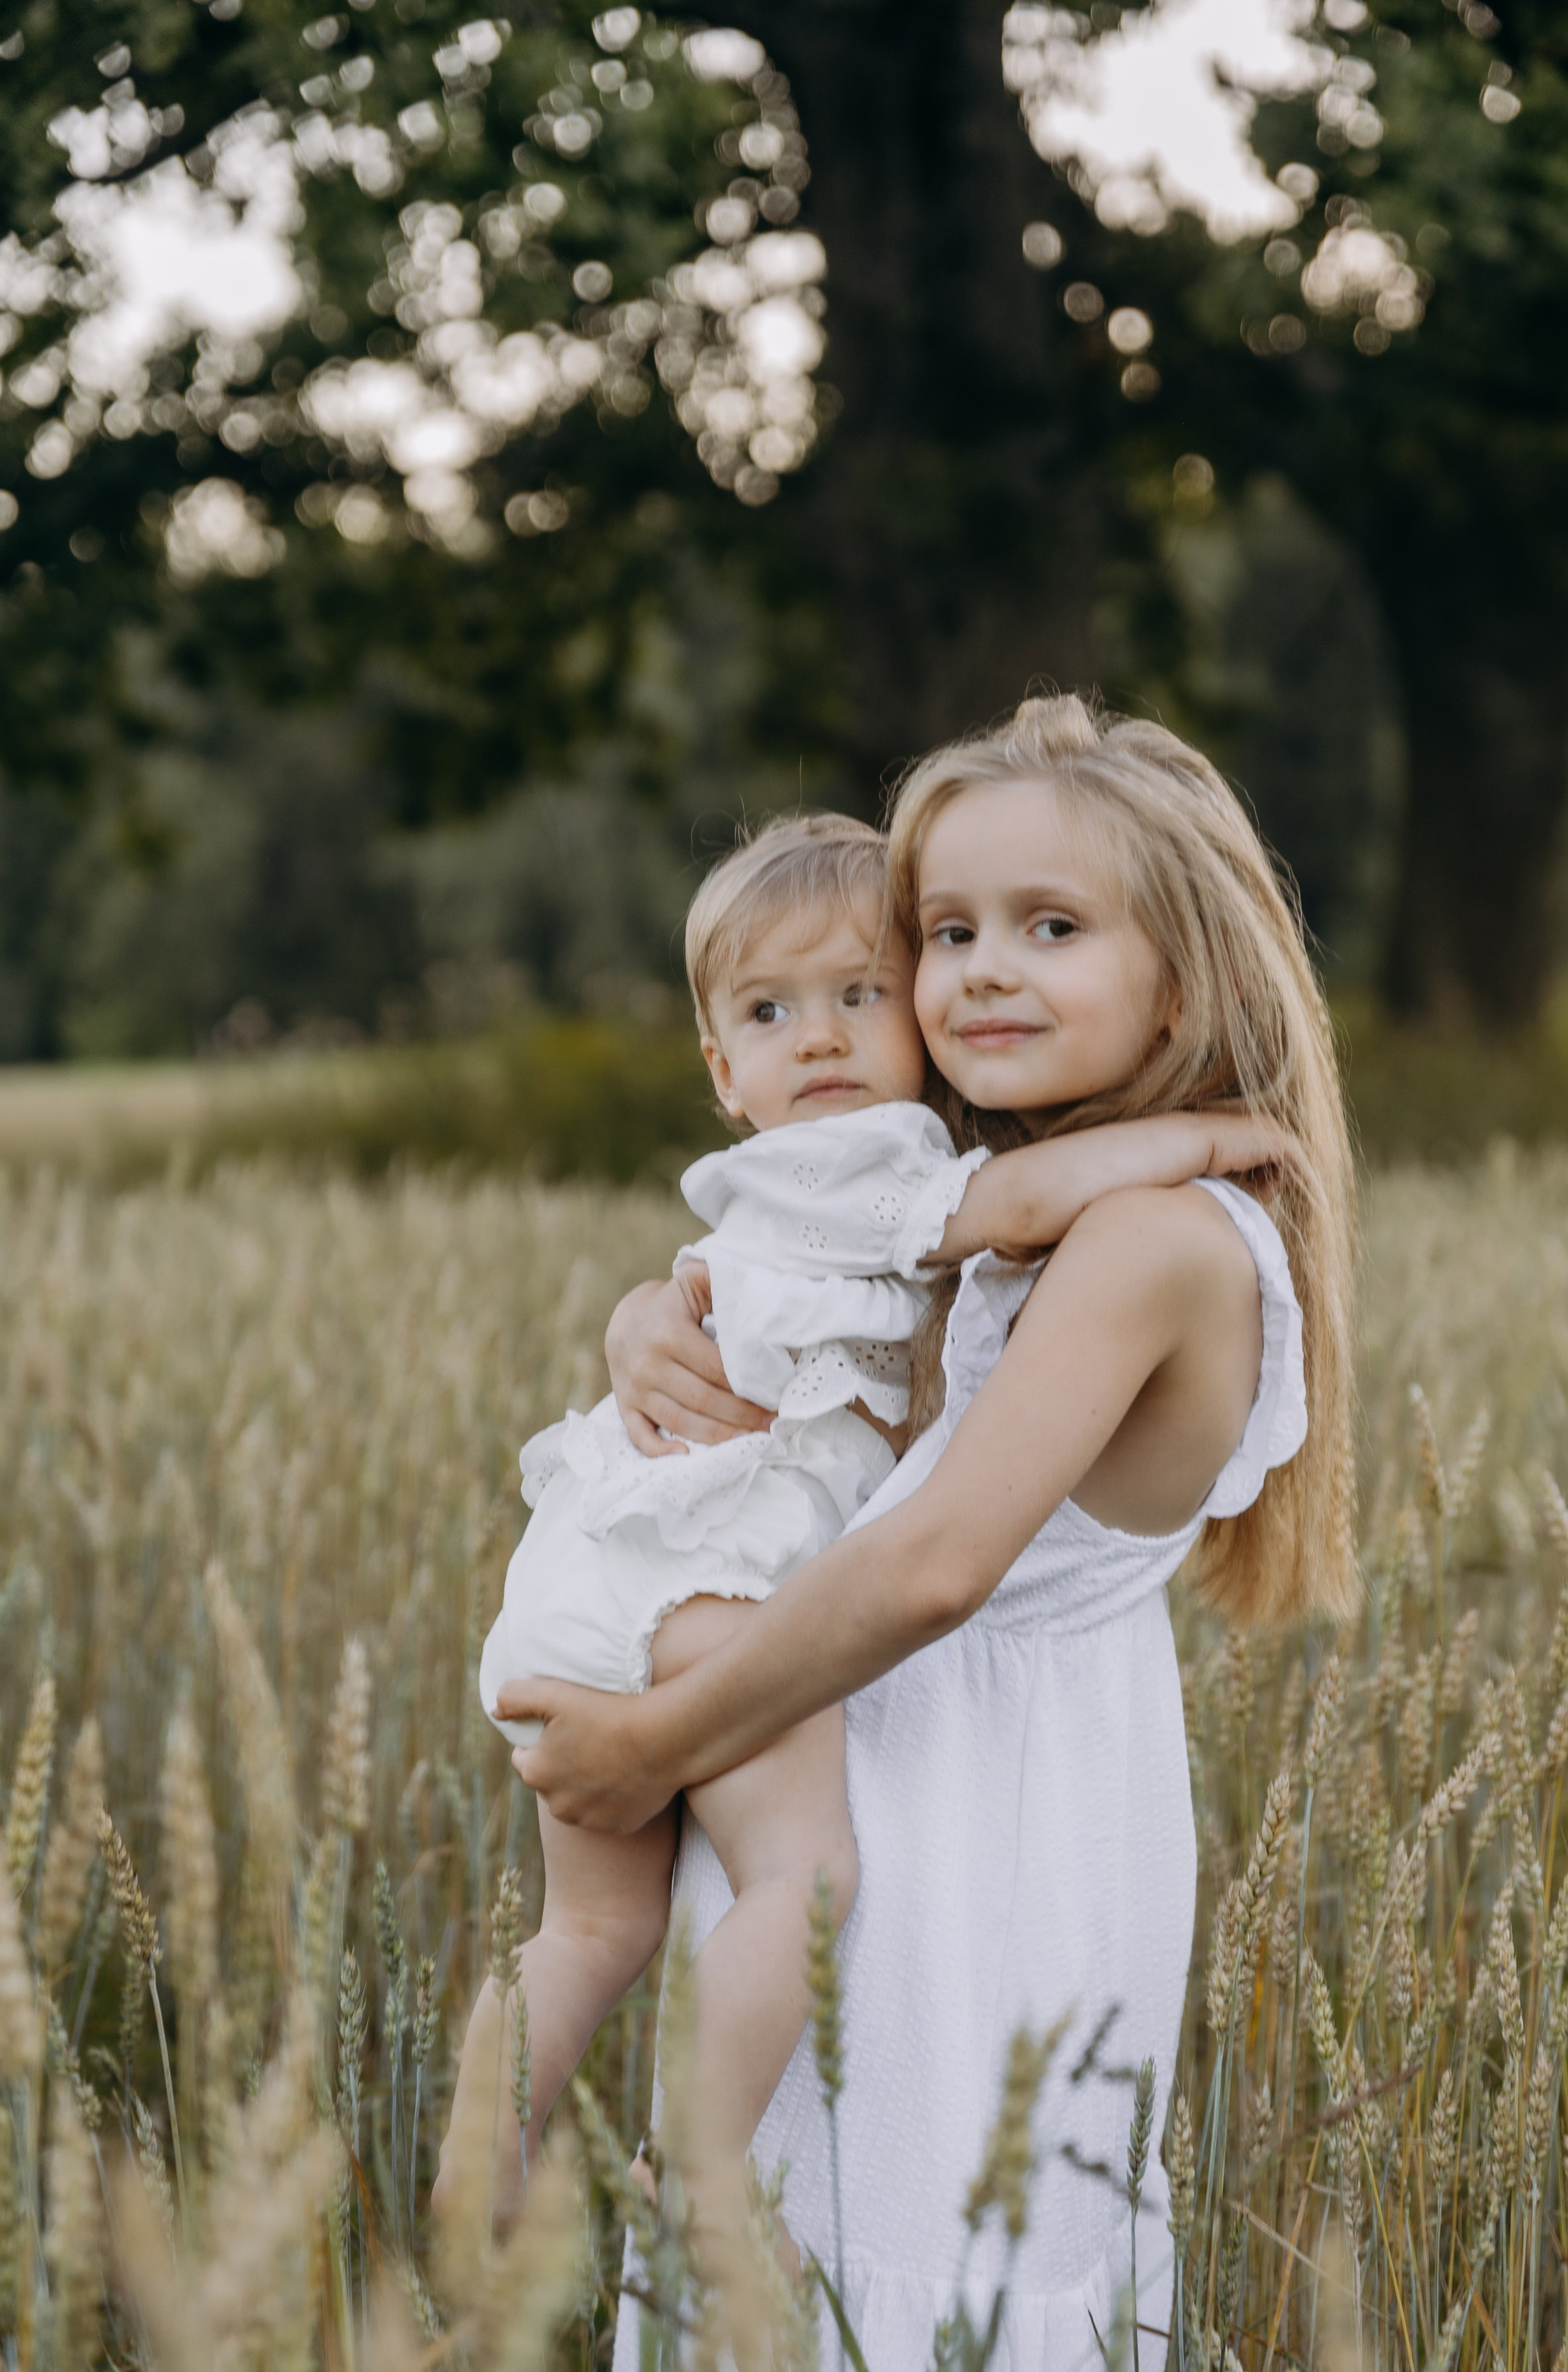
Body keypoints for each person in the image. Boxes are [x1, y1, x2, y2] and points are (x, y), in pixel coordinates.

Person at [498, 699, 1359, 2372]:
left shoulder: (1153, 1236)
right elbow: (810, 1329)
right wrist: (654, 1316)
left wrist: (644, 1747)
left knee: (931, 2306)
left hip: (986, 1843)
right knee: (780, 2272)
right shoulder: (984, 1198)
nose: (980, 970)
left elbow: (928, 1562)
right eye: (946, 931)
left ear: (1185, 975)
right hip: (841, 1799)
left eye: (1049, 928)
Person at [436, 810, 1299, 2244]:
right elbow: (1005, 1213)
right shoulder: (901, 1177)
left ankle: (475, 2183)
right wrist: (1206, 1135)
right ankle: (691, 2177)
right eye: (949, 937)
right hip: (710, 1592)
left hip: (590, 1569)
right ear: (721, 1064)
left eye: (859, 994)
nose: (828, 1037)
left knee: (586, 1931)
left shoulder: (805, 1183)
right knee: (803, 1875)